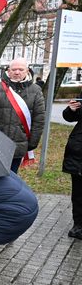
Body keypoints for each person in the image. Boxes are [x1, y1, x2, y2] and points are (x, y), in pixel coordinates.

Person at [0, 57, 45, 173]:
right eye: (14, 69)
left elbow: (39, 119)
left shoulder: (36, 90)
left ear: (27, 71)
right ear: (8, 71)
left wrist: (32, 143)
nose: (17, 72)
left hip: (18, 144)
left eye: (21, 69)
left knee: (12, 178)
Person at [63, 96, 82, 239]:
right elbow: (69, 117)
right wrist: (71, 109)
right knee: (78, 193)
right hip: (78, 153)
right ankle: (78, 226)